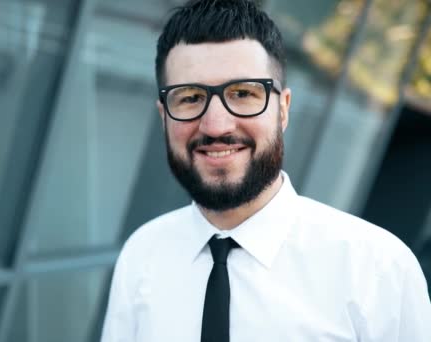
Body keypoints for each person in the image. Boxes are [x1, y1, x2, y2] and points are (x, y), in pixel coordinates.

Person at [100, 0, 431, 341]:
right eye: (190, 98)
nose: (215, 125)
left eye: (243, 93)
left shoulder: (377, 269)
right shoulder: (142, 254)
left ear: (283, 110)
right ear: (164, 116)